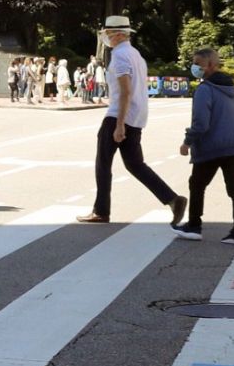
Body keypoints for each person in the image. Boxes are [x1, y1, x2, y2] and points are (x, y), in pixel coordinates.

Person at [78, 16, 186, 225]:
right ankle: (172, 199)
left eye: (109, 33)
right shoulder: (136, 55)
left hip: (118, 116)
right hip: (136, 117)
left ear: (119, 34)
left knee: (103, 164)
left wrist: (119, 125)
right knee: (136, 165)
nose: (106, 37)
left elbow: (125, 91)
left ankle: (101, 211)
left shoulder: (119, 56)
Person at [174, 48, 234, 243]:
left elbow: (201, 123)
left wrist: (187, 142)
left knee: (197, 185)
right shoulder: (232, 88)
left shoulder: (205, 89)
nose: (195, 67)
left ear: (210, 65)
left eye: (198, 64)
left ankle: (194, 225)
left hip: (210, 147)